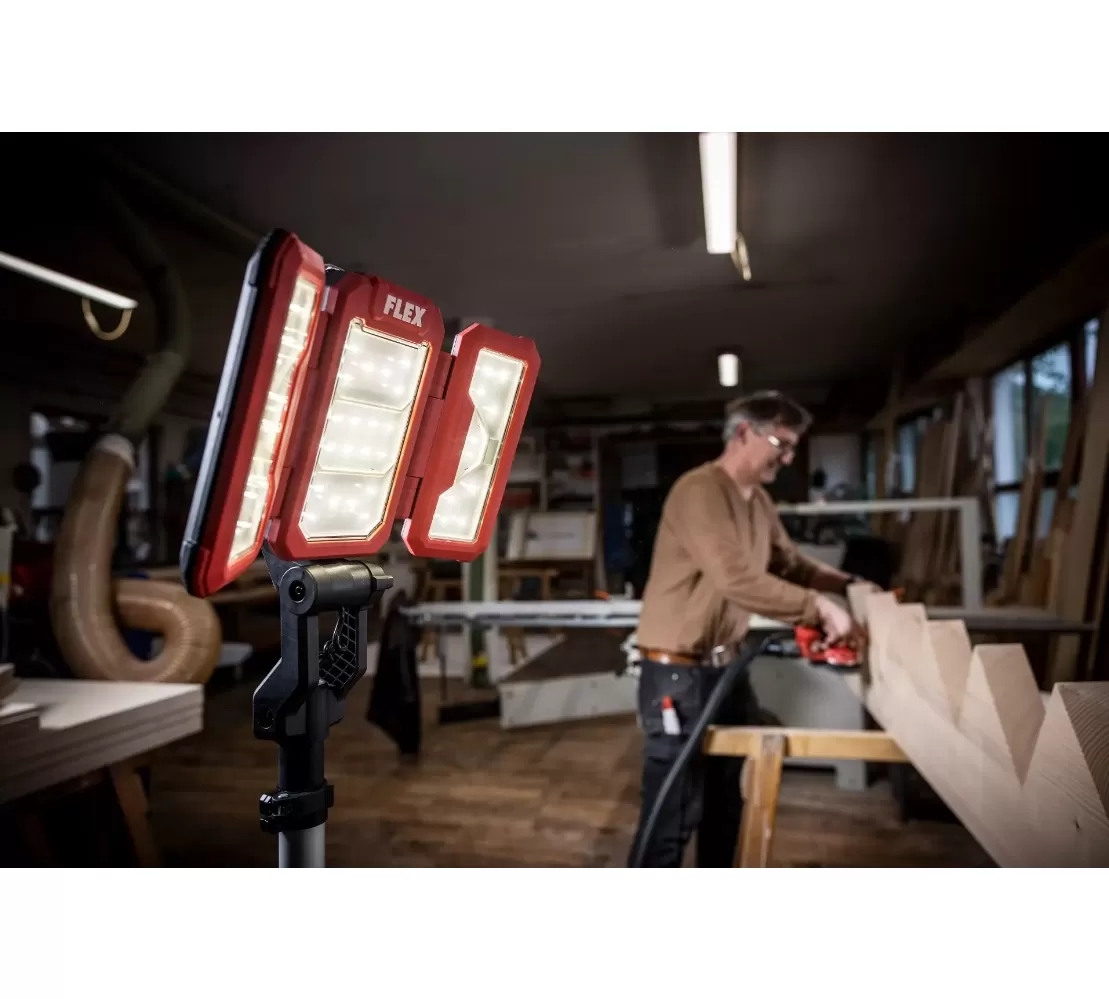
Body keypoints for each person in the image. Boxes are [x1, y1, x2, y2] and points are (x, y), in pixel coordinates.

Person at [628, 390, 862, 867]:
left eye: (793, 447)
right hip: (679, 675)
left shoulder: (758, 501)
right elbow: (735, 577)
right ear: (742, 433)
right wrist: (818, 608)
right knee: (673, 813)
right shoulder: (699, 491)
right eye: (782, 444)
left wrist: (849, 585)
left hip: (726, 669)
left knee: (725, 807)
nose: (789, 457)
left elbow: (789, 563)